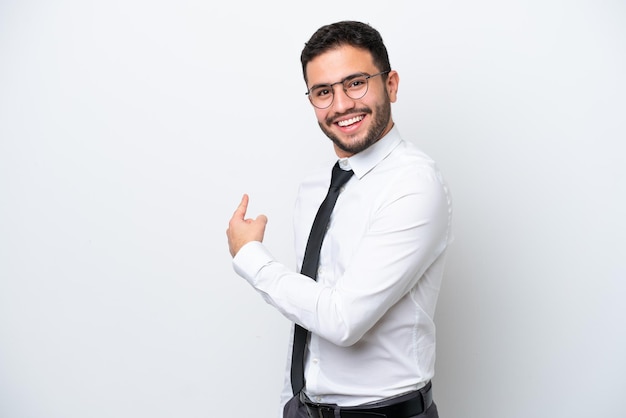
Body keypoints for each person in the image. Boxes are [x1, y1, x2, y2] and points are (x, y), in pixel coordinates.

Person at [227, 20, 453, 418]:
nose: (342, 105)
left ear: (392, 85)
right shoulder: (315, 187)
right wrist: (292, 400)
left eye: (356, 83)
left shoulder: (414, 185)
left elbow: (342, 320)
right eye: (323, 92)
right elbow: (310, 316)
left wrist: (250, 257)